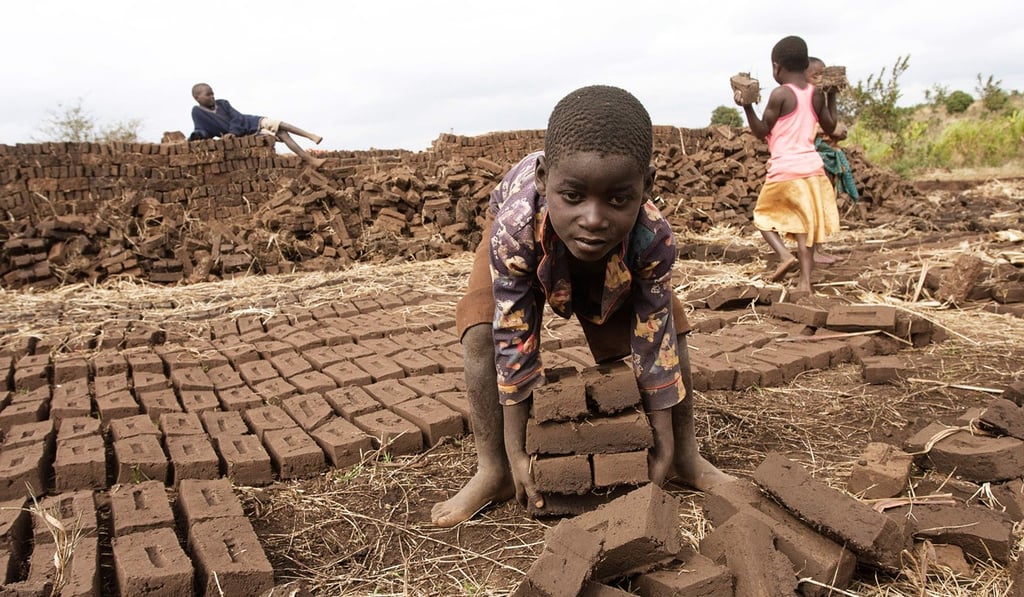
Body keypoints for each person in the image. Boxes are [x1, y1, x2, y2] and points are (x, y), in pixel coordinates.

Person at [430, 85, 730, 528]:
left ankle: (686, 455)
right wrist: (517, 452)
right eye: (573, 197)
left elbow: (655, 339)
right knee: (479, 330)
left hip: (611, 251)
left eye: (617, 199)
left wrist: (662, 445)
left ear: (646, 187)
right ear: (543, 178)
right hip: (530, 241)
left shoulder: (653, 238)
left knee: (673, 326)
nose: (592, 218)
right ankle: (492, 470)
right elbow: (515, 338)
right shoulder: (513, 229)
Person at [736, 36, 840, 293]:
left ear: (776, 67)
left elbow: (761, 131)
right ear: (805, 64)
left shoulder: (780, 94)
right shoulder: (815, 94)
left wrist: (747, 105)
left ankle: (784, 255)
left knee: (762, 218)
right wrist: (833, 96)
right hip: (813, 170)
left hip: (785, 170)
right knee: (805, 229)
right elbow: (831, 127)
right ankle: (805, 283)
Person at [189, 83, 326, 168]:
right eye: (208, 95)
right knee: (282, 134)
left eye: (213, 93)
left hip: (250, 122)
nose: (212, 96)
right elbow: (202, 129)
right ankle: (310, 159)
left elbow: (237, 117)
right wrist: (197, 136)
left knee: (279, 124)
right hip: (247, 134)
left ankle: (310, 136)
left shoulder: (223, 103)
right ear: (197, 98)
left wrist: (233, 132)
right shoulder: (197, 112)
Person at [806, 57, 860, 264]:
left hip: (825, 160)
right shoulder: (805, 98)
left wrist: (832, 95)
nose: (821, 79)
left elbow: (833, 125)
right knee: (814, 206)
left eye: (824, 75)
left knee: (823, 206)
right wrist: (828, 130)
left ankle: (819, 248)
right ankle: (813, 251)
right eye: (816, 75)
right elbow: (814, 127)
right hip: (812, 160)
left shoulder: (820, 97)